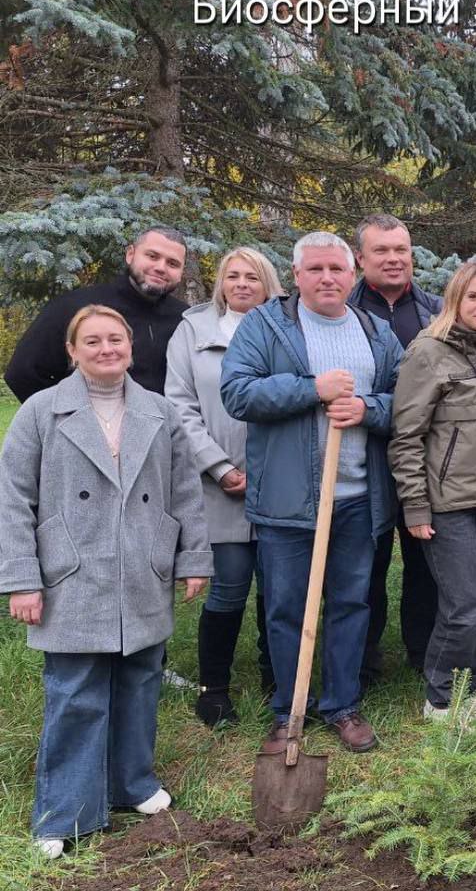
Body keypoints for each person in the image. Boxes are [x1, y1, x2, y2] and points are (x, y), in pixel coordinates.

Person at [0, 305, 212, 860]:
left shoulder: (160, 413)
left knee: (141, 680)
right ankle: (64, 811)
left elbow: (186, 490)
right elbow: (13, 502)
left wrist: (193, 559)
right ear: (72, 351)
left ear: (130, 348)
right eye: (91, 341)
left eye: (115, 339)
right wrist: (23, 580)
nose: (106, 348)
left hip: (143, 567)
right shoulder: (42, 413)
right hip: (70, 571)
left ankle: (133, 783)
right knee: (75, 692)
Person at [221, 232, 402, 754]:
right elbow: (237, 392)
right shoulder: (266, 326)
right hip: (287, 502)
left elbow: (402, 399)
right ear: (297, 276)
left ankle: (342, 705)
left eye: (337, 270)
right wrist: (311, 389)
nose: (328, 278)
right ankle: (288, 709)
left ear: (353, 276)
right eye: (316, 269)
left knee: (350, 603)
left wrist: (368, 409)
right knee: (285, 607)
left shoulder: (376, 330)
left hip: (356, 499)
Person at [389, 261, 476, 721]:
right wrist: (415, 505)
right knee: (463, 603)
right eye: (474, 297)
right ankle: (440, 696)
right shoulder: (428, 353)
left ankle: (474, 687)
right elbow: (406, 435)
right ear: (454, 301)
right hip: (448, 504)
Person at [165, 247, 284, 727]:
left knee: (281, 592)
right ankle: (215, 690)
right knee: (229, 588)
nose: (241, 284)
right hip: (220, 485)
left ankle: (280, 682)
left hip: (280, 482)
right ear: (220, 283)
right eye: (232, 276)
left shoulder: (287, 327)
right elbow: (179, 404)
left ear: (267, 282)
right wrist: (218, 466)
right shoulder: (193, 330)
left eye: (252, 277)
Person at [348, 214, 443, 687]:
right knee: (366, 560)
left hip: (427, 459)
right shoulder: (342, 313)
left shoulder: (436, 313)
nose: (393, 259)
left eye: (401, 250)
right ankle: (363, 660)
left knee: (426, 558)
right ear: (361, 259)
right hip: (363, 456)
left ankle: (424, 649)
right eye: (381, 251)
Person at [5, 227, 189, 401]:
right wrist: (68, 420)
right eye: (152, 256)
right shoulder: (75, 307)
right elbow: (22, 374)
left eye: (172, 263)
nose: (161, 267)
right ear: (130, 254)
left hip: (165, 431)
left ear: (181, 272)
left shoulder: (184, 319)